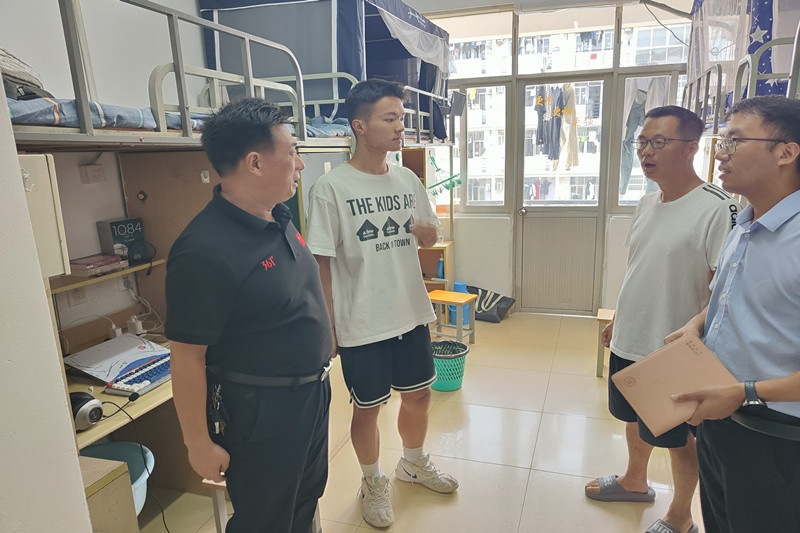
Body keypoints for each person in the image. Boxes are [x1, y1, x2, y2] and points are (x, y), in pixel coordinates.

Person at [164, 98, 333, 533]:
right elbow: (186, 356)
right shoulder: (203, 250)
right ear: (255, 163)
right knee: (264, 520)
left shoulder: (280, 216)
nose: (300, 164)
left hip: (312, 396)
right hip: (262, 412)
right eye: (292, 152)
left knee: (304, 500)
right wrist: (197, 443)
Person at [306, 79, 458, 529]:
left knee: (420, 395)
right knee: (367, 407)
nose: (400, 128)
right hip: (362, 319)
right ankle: (373, 481)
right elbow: (320, 264)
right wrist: (329, 327)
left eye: (402, 119)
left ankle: (413, 462)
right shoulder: (331, 188)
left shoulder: (408, 178)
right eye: (389, 119)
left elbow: (429, 233)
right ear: (359, 126)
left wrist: (428, 232)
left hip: (409, 311)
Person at [584, 106, 739, 533]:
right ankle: (634, 481)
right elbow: (641, 268)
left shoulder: (718, 209)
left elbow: (726, 290)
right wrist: (619, 317)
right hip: (631, 335)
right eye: (642, 142)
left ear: (691, 148)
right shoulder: (647, 203)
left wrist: (696, 341)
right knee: (634, 417)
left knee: (677, 437)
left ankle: (681, 516)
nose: (645, 152)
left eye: (658, 142)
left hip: (674, 349)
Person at [667, 95, 800, 532]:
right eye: (721, 141)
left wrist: (746, 393)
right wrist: (695, 325)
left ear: (786, 152)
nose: (720, 154)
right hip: (724, 416)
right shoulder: (745, 224)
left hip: (778, 436)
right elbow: (730, 297)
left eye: (735, 141)